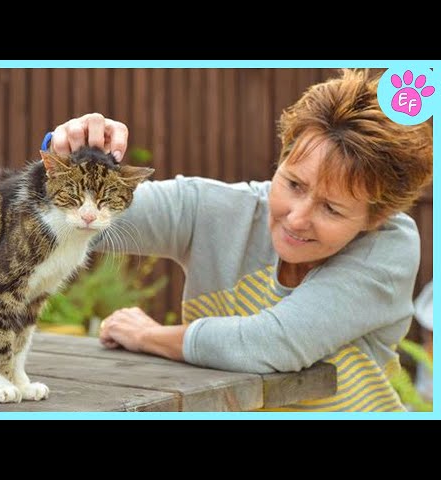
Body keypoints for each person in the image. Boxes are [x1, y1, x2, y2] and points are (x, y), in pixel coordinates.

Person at [44, 69, 432, 412]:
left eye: (331, 209)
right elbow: (64, 221)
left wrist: (147, 336)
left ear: (375, 216)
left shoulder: (389, 245)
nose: (297, 218)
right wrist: (65, 164)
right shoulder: (212, 209)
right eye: (293, 183)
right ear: (282, 157)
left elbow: (273, 345)